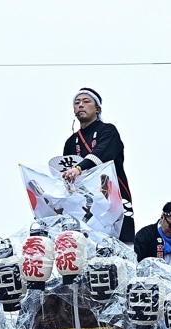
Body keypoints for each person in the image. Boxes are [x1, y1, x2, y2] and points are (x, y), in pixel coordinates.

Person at [62, 88, 134, 244]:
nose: (80, 105)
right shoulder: (70, 142)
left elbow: (103, 153)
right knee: (84, 244)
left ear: (97, 109)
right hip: (85, 202)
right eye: (77, 102)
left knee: (121, 245)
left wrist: (78, 168)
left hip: (112, 196)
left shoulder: (108, 130)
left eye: (86, 101)